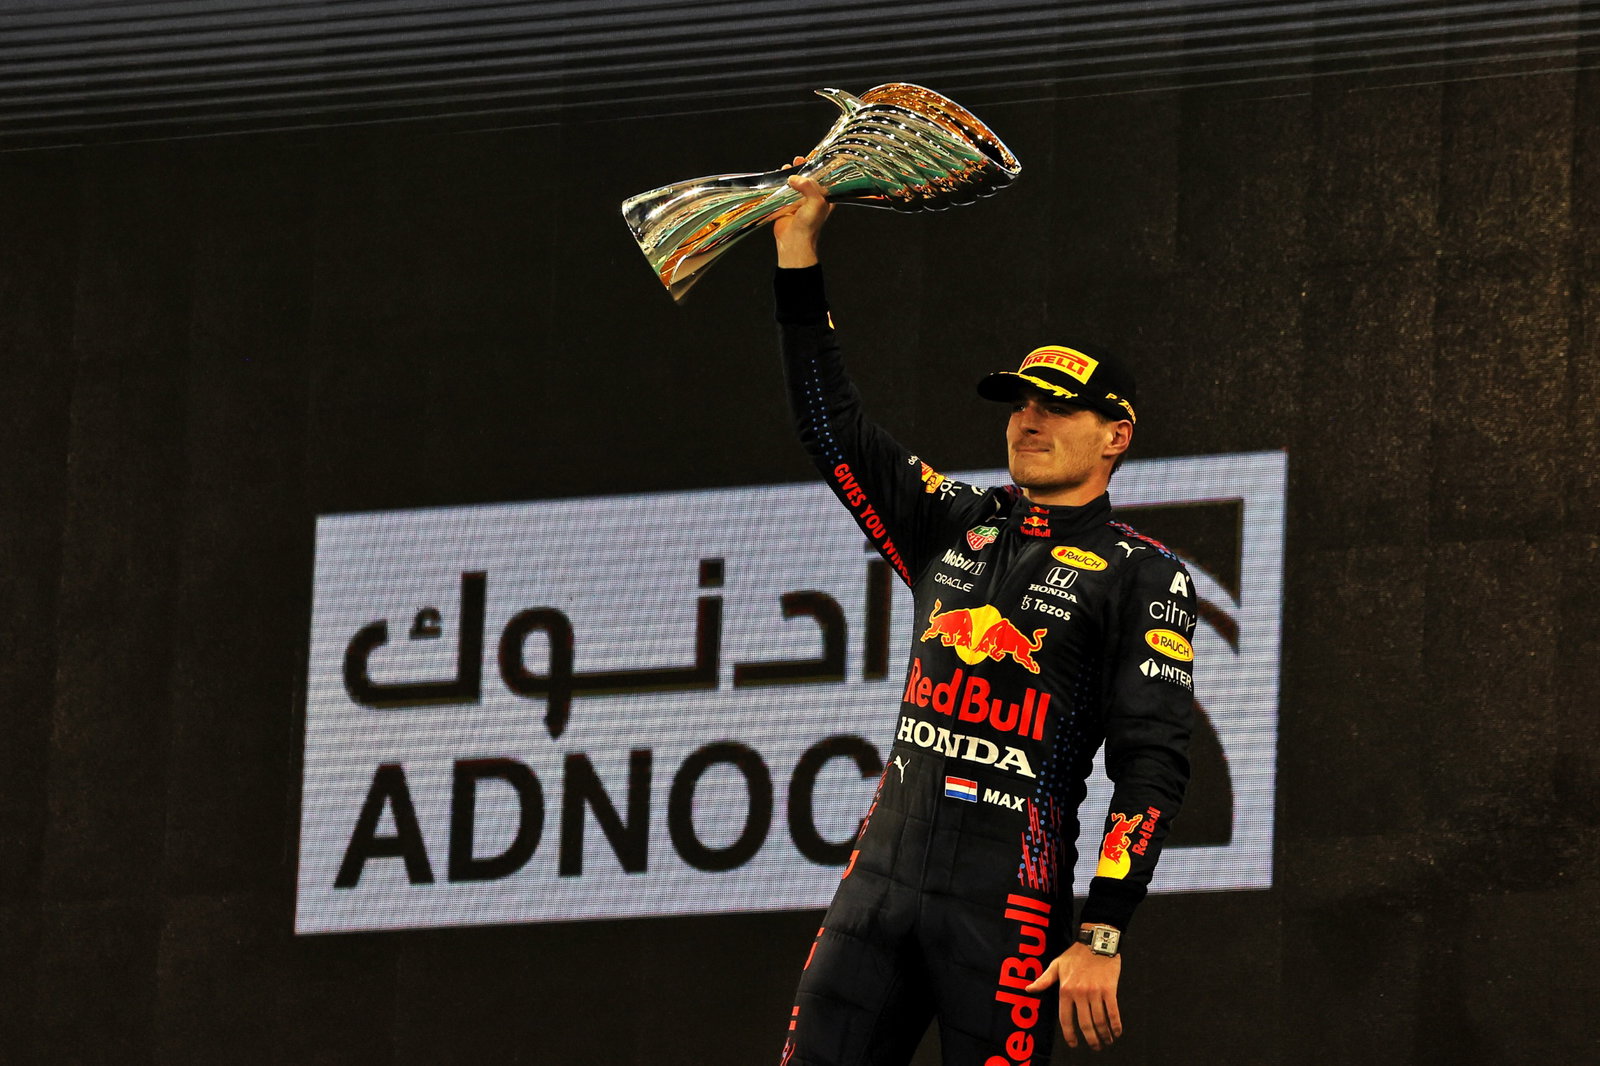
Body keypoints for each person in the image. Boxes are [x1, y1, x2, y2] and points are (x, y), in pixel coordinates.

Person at [770, 173, 1195, 1066]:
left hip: (1010, 909)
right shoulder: (950, 523)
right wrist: (796, 251)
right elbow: (828, 425)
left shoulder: (1142, 576)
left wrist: (1104, 932)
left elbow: (1152, 769)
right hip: (876, 891)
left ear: (1116, 434)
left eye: (1056, 405)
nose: (1028, 418)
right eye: (1019, 402)